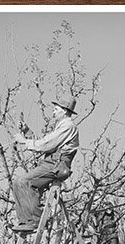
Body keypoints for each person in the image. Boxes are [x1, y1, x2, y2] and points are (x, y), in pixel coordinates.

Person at [11, 96, 79, 233]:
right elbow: (45, 143)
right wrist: (27, 132)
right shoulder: (61, 126)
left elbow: (46, 144)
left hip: (57, 165)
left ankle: (34, 220)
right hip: (51, 163)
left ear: (65, 111)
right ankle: (27, 220)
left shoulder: (67, 126)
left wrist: (24, 141)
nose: (53, 112)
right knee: (20, 183)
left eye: (56, 109)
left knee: (22, 181)